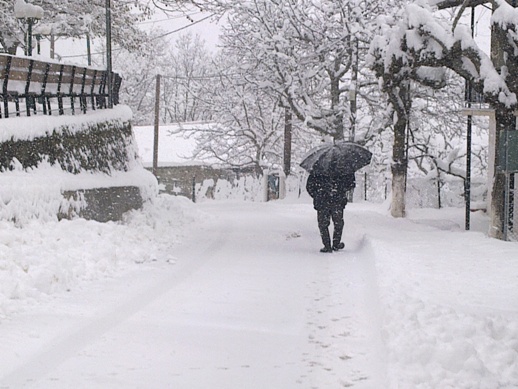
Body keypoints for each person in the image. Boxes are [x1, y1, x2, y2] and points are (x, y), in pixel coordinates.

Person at [306, 170, 356, 253]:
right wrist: (340, 189)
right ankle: (335, 243)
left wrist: (317, 195)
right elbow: (351, 184)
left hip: (323, 201)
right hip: (337, 200)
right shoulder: (343, 167)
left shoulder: (317, 168)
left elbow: (309, 186)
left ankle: (327, 245)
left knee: (323, 224)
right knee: (338, 223)